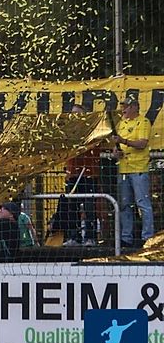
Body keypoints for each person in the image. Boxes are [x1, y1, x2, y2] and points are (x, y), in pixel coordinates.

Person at [111, 95, 154, 249]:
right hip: (123, 169)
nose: (124, 109)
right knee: (124, 205)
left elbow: (142, 143)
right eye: (123, 107)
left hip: (139, 169)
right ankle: (126, 238)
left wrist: (123, 141)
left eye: (127, 107)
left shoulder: (143, 122)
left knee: (143, 203)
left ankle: (147, 237)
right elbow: (116, 147)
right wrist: (116, 152)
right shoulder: (121, 123)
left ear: (135, 107)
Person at [61, 105, 101, 246]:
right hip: (72, 174)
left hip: (88, 173)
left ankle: (90, 237)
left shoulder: (91, 130)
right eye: (73, 114)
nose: (74, 117)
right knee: (72, 206)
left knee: (89, 207)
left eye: (77, 114)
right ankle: (74, 237)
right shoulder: (68, 131)